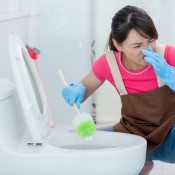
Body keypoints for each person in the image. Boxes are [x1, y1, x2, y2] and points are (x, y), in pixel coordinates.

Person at [62, 5, 175, 175]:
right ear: (118, 44)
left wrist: (171, 76)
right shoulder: (109, 63)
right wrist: (77, 89)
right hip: (134, 133)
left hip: (170, 134)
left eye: (151, 40)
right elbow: (83, 89)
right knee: (82, 144)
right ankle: (140, 166)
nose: (147, 50)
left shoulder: (168, 55)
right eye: (137, 46)